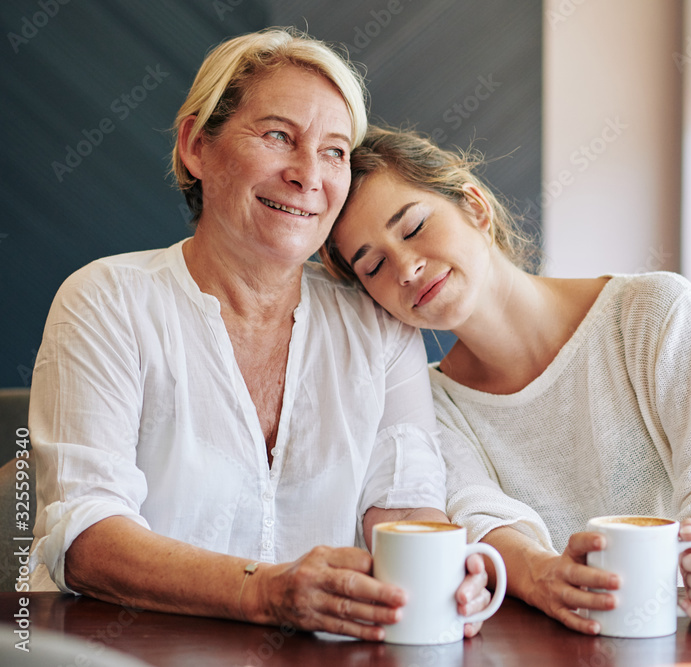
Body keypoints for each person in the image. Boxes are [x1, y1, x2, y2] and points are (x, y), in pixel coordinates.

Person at [28, 29, 491, 641]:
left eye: (333, 151)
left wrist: (442, 571)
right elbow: (86, 537)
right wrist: (266, 591)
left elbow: (404, 505)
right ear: (196, 147)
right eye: (278, 136)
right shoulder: (106, 300)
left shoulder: (377, 325)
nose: (308, 175)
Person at [324, 126, 691, 635]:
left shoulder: (655, 314)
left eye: (413, 228)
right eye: (375, 265)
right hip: (596, 645)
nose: (406, 268)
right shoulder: (429, 404)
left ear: (474, 207)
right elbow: (482, 518)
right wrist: (541, 573)